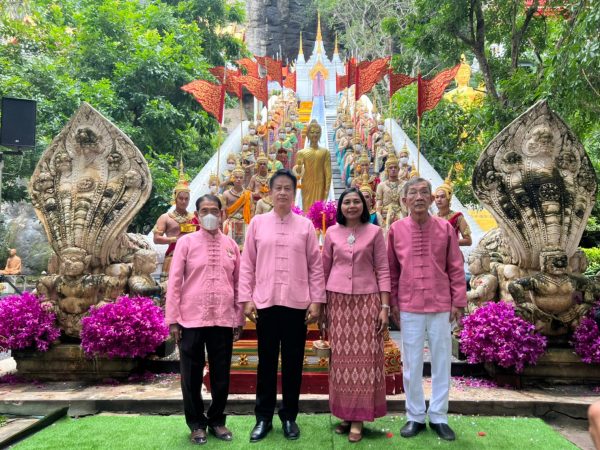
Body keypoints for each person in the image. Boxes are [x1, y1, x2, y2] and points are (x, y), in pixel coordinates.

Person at [238, 169, 326, 443]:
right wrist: (246, 298)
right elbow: (247, 264)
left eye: (288, 188)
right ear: (270, 191)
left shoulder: (306, 226)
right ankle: (263, 418)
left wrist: (317, 301)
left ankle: (289, 417)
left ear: (294, 191)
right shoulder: (258, 224)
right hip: (265, 303)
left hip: (297, 304)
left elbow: (315, 266)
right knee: (265, 363)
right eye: (278, 188)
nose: (283, 192)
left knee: (292, 364)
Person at [387, 177, 467, 442]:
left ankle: (440, 416)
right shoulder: (396, 230)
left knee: (442, 362)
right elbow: (391, 270)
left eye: (424, 193)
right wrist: (393, 303)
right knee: (411, 364)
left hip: (440, 304)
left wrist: (458, 301)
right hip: (409, 306)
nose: (419, 197)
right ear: (404, 200)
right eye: (413, 193)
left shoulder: (445, 229)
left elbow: (455, 267)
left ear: (433, 199)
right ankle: (415, 416)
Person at [166, 194, 244, 445]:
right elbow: (175, 283)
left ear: (222, 214)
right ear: (197, 215)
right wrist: (173, 320)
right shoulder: (186, 243)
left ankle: (217, 421)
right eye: (204, 210)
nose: (210, 214)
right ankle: (196, 424)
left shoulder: (231, 245)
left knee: (221, 374)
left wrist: (238, 317)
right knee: (190, 375)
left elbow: (239, 283)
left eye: (214, 210)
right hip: (190, 320)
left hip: (222, 319)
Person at [321, 188, 391, 443]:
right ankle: (345, 415)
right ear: (340, 207)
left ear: (364, 205)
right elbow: (324, 268)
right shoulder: (331, 233)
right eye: (347, 202)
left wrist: (385, 307)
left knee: (364, 360)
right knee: (340, 361)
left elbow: (383, 269)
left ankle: (359, 418)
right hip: (337, 301)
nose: (351, 206)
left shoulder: (374, 232)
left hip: (367, 301)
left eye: (356, 202)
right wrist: (322, 306)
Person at [153, 167, 196, 279]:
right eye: (181, 198)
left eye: (186, 199)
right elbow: (156, 239)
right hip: (173, 256)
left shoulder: (194, 218)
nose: (183, 201)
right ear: (175, 198)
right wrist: (176, 239)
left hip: (193, 257)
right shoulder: (165, 217)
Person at [292, 120, 332, 212]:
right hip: (307, 184)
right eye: (312, 132)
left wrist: (326, 191)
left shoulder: (325, 152)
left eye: (317, 133)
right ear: (308, 134)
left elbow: (328, 174)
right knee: (308, 210)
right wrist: (298, 168)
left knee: (319, 210)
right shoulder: (301, 153)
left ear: (320, 134)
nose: (315, 135)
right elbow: (298, 174)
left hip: (320, 184)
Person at [434, 177, 472, 246]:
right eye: (437, 197)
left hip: (453, 255)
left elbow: (468, 241)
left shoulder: (458, 217)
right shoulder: (432, 218)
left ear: (449, 199)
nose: (439, 199)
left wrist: (448, 242)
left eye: (442, 197)